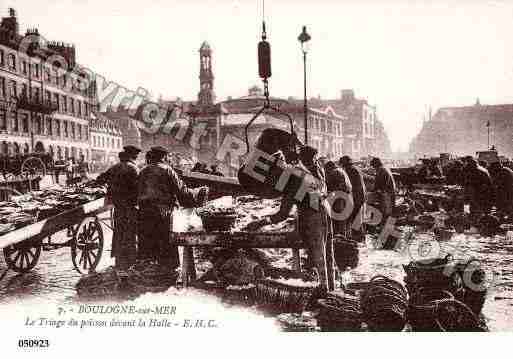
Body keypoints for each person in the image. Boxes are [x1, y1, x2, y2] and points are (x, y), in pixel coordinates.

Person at [245, 145, 335, 292]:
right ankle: (331, 288)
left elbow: (283, 214)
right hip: (325, 211)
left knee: (319, 255)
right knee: (328, 254)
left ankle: (324, 291)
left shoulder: (290, 179)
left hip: (313, 217)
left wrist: (260, 222)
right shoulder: (311, 169)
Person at [137, 146, 208, 271]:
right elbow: (181, 191)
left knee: (148, 243)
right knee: (165, 241)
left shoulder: (143, 171)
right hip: (162, 212)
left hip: (145, 212)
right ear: (163, 157)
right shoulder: (167, 170)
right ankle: (166, 273)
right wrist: (197, 193)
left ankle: (148, 271)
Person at [94, 145, 142, 270]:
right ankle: (130, 261)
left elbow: (100, 179)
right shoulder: (134, 169)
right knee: (130, 232)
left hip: (118, 205)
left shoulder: (115, 167)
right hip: (131, 206)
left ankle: (119, 260)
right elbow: (139, 188)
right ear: (134, 156)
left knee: (119, 231)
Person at [340, 155, 367, 242]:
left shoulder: (349, 170)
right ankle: (361, 237)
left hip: (356, 197)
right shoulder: (355, 168)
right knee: (358, 218)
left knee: (355, 218)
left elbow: (348, 185)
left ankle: (358, 239)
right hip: (360, 196)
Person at [324, 161, 352, 237]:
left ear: (329, 167)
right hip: (347, 196)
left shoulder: (334, 172)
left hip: (340, 197)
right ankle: (345, 236)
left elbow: (328, 184)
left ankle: (339, 237)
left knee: (338, 217)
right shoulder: (341, 170)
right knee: (344, 218)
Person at [370, 157, 396, 226]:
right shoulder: (384, 168)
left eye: (373, 166)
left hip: (387, 193)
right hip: (389, 192)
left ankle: (386, 228)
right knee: (387, 211)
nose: (373, 168)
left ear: (376, 165)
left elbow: (379, 184)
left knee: (386, 212)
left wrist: (373, 191)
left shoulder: (381, 170)